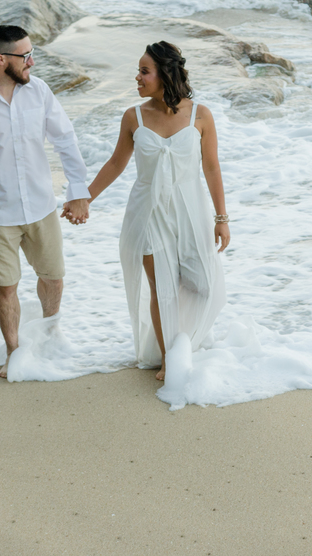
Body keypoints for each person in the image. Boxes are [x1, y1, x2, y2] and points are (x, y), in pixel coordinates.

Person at [0, 25, 91, 379]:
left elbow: (65, 140)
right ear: (1, 59)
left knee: (53, 277)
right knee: (6, 285)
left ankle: (50, 334)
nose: (32, 62)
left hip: (42, 205)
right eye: (25, 56)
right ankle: (15, 351)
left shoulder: (38, 91)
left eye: (31, 53)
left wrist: (79, 190)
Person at [87, 42, 229, 381]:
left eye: (144, 71)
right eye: (138, 71)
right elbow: (116, 163)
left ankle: (185, 341)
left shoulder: (201, 115)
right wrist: (84, 198)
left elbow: (211, 168)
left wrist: (221, 219)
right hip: (148, 211)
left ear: (165, 74)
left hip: (190, 209)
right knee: (161, 288)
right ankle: (168, 359)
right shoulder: (133, 116)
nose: (137, 77)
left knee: (206, 286)